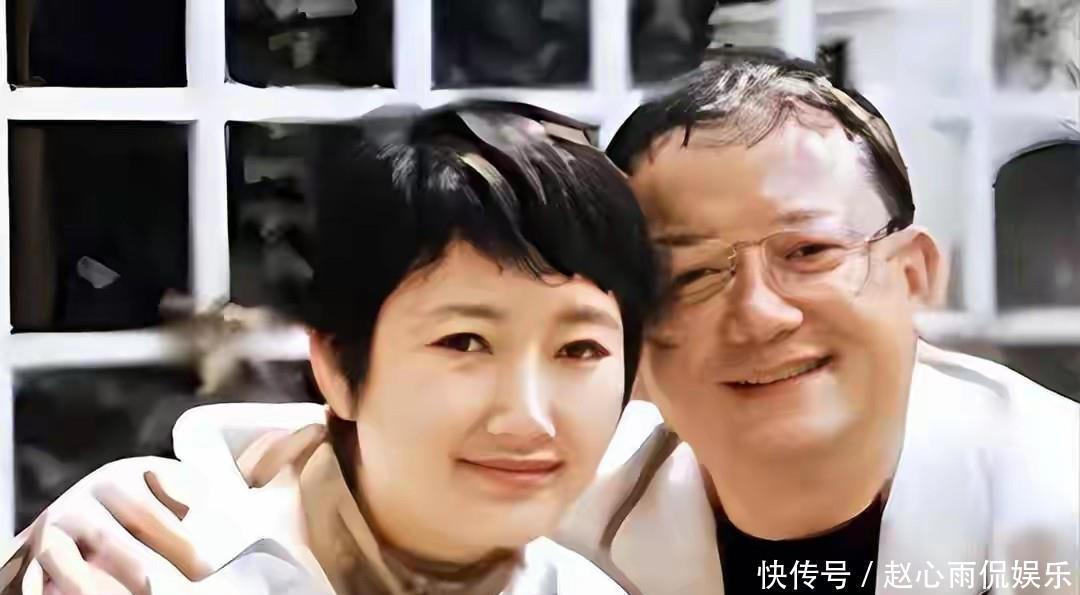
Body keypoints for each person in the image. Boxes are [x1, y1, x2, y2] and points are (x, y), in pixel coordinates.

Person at [0, 101, 660, 594]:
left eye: (580, 349)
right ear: (338, 366)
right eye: (464, 341)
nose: (528, 418)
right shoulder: (141, 566)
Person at [552, 48, 1079, 594]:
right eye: (690, 275)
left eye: (809, 251)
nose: (759, 313)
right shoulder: (560, 538)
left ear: (912, 276)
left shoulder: (1062, 499)